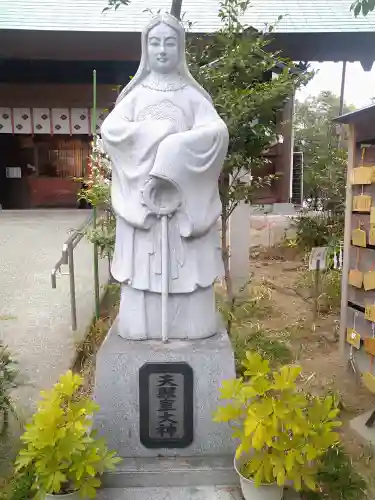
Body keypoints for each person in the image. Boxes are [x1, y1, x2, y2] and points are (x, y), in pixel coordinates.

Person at [101, 13, 229, 340]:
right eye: (154, 42)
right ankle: (142, 325)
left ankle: (192, 324)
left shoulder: (191, 95)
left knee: (188, 273)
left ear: (180, 48)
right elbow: (112, 131)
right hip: (145, 211)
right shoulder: (136, 96)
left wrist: (175, 149)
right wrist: (156, 133)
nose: (161, 50)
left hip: (182, 208)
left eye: (169, 43)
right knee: (143, 273)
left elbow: (216, 132)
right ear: (146, 49)